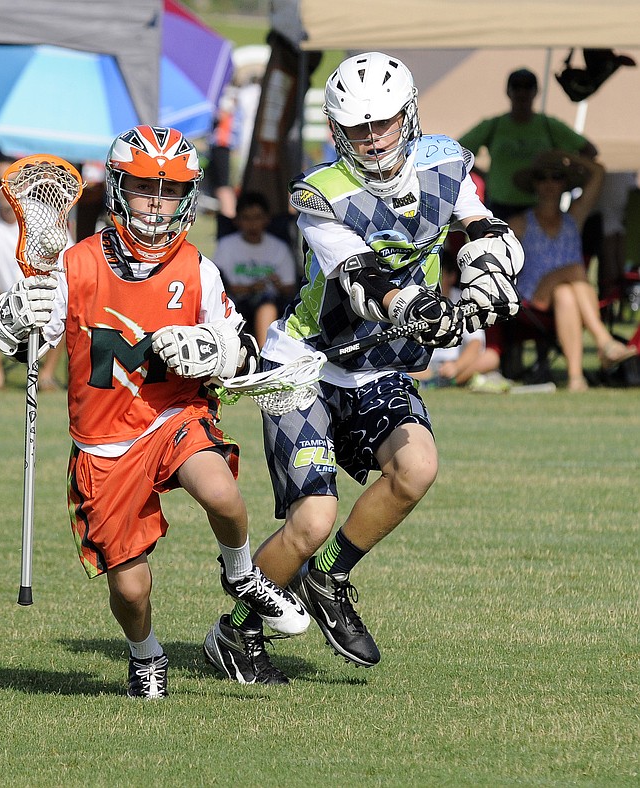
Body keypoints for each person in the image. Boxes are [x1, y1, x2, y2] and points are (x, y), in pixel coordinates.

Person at [203, 52, 524, 684]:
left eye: (383, 123)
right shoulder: (320, 195)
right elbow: (362, 279)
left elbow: (483, 227)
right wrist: (417, 308)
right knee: (313, 520)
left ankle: (330, 580)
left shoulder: (446, 160)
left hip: (376, 370)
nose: (373, 139)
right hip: (306, 367)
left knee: (417, 467)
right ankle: (233, 634)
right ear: (337, 131)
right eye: (357, 129)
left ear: (409, 116)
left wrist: (489, 278)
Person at [0, 125, 308, 699]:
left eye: (169, 191)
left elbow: (234, 345)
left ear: (188, 198)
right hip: (103, 443)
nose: (155, 205)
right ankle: (145, 653)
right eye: (142, 189)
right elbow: (23, 330)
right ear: (117, 190)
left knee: (222, 492)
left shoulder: (196, 267)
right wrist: (15, 316)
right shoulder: (76, 264)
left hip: (172, 415)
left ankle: (241, 574)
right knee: (131, 590)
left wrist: (210, 351)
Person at [509, 150, 636, 392]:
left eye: (556, 176)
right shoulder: (521, 223)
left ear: (565, 184)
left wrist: (566, 156)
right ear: (534, 183)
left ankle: (576, 378)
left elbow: (598, 171)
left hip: (571, 298)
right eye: (542, 177)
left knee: (566, 293)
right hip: (534, 295)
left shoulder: (573, 218)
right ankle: (604, 342)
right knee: (577, 269)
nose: (549, 183)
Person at [0, 154, 66, 392]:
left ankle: (46, 376)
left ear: (26, 184)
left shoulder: (44, 213)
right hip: (2, 296)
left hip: (41, 294)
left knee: (63, 292)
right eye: (0, 182)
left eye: (14, 181)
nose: (7, 189)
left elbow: (64, 270)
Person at [458, 68, 598, 221]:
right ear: (508, 91)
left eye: (528, 87)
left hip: (541, 206)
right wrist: (485, 176)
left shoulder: (548, 125)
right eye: (517, 86)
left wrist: (566, 174)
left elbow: (589, 150)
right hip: (500, 206)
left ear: (536, 91)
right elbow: (457, 152)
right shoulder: (494, 125)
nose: (522, 92)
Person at [213, 191, 297, 348]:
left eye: (258, 218)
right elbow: (217, 286)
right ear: (237, 220)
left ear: (267, 219)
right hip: (235, 303)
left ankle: (264, 354)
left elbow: (290, 289)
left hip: (270, 303)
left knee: (266, 306)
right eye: (246, 218)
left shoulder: (279, 248)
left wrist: (278, 284)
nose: (252, 224)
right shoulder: (226, 245)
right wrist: (250, 288)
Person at [410, 257, 505, 390]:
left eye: (439, 276)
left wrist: (456, 367)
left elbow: (475, 343)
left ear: (452, 276)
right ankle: (444, 381)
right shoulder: (415, 302)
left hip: (456, 363)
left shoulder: (465, 301)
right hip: (425, 366)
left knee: (491, 358)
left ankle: (447, 381)